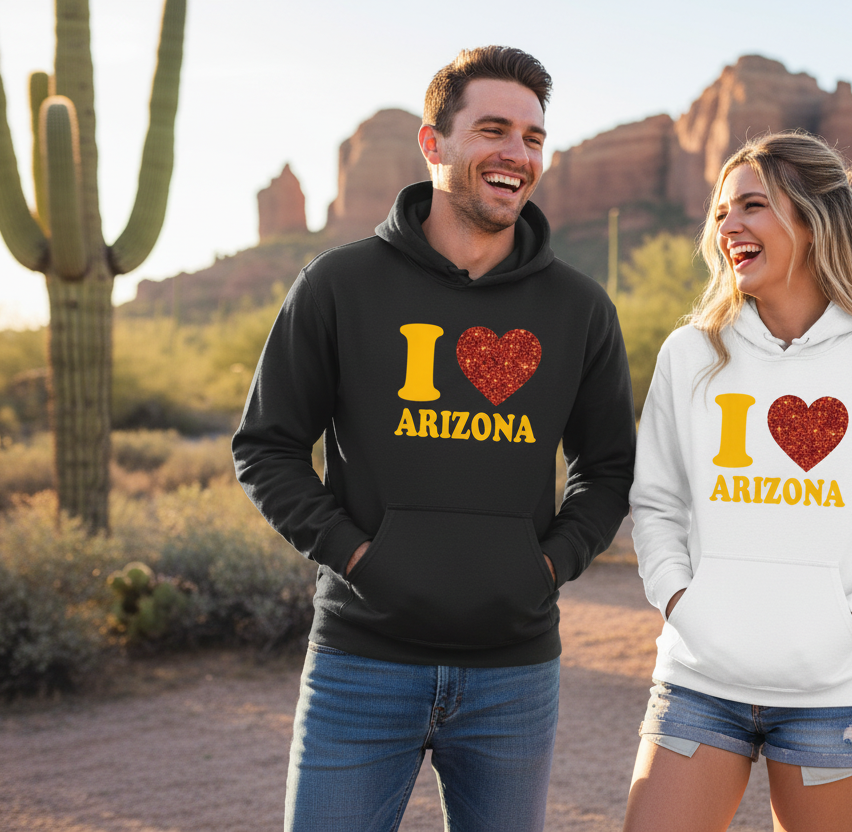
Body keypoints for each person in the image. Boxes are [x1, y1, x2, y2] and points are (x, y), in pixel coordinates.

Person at [232, 46, 635, 832]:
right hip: (360, 660)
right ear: (433, 144)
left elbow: (609, 467)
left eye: (532, 137)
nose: (517, 153)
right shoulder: (339, 284)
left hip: (514, 673)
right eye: (493, 130)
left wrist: (547, 566)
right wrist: (358, 557)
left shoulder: (580, 308)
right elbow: (266, 446)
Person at [623, 132, 852, 832]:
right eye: (721, 212)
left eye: (752, 205)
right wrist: (682, 601)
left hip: (834, 694)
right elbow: (656, 503)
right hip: (698, 682)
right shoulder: (690, 353)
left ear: (815, 220)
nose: (728, 225)